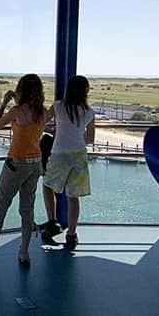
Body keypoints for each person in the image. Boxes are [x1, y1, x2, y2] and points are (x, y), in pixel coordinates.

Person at [0, 74, 47, 266]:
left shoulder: (16, 111)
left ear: (20, 90)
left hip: (16, 163)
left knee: (1, 204)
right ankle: (24, 252)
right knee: (27, 208)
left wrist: (5, 102)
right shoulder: (43, 112)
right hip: (36, 163)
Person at [43, 75, 95, 250]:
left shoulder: (58, 106)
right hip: (79, 155)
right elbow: (90, 138)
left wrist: (55, 131)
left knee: (48, 185)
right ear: (85, 91)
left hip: (59, 154)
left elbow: (41, 123)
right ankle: (71, 235)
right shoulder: (89, 112)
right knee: (73, 197)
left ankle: (52, 222)